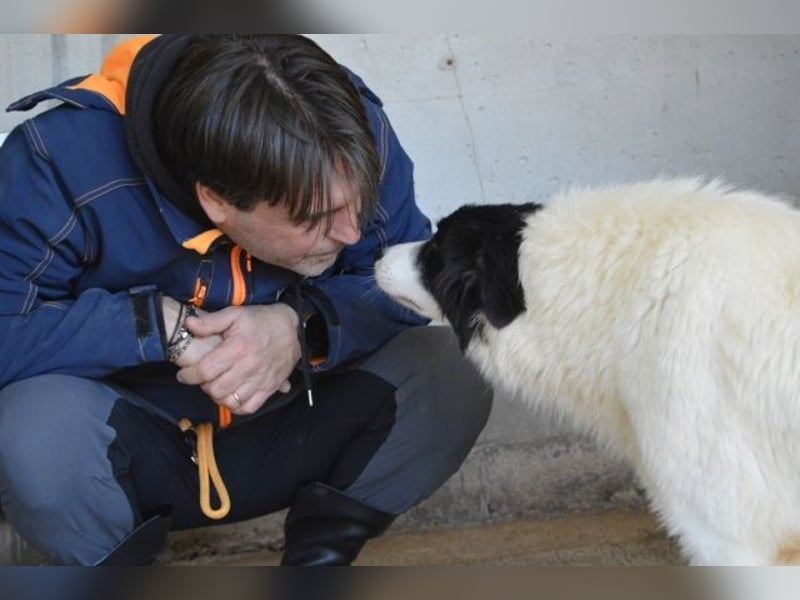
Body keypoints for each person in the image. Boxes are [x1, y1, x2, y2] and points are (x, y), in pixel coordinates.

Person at [0, 34, 492, 566]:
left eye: (357, 204)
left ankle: (318, 564)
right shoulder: (58, 159)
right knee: (34, 427)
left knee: (457, 365)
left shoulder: (348, 123)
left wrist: (300, 327)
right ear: (216, 200)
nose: (351, 233)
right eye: (314, 219)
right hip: (132, 456)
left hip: (293, 427)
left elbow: (409, 284)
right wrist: (154, 327)